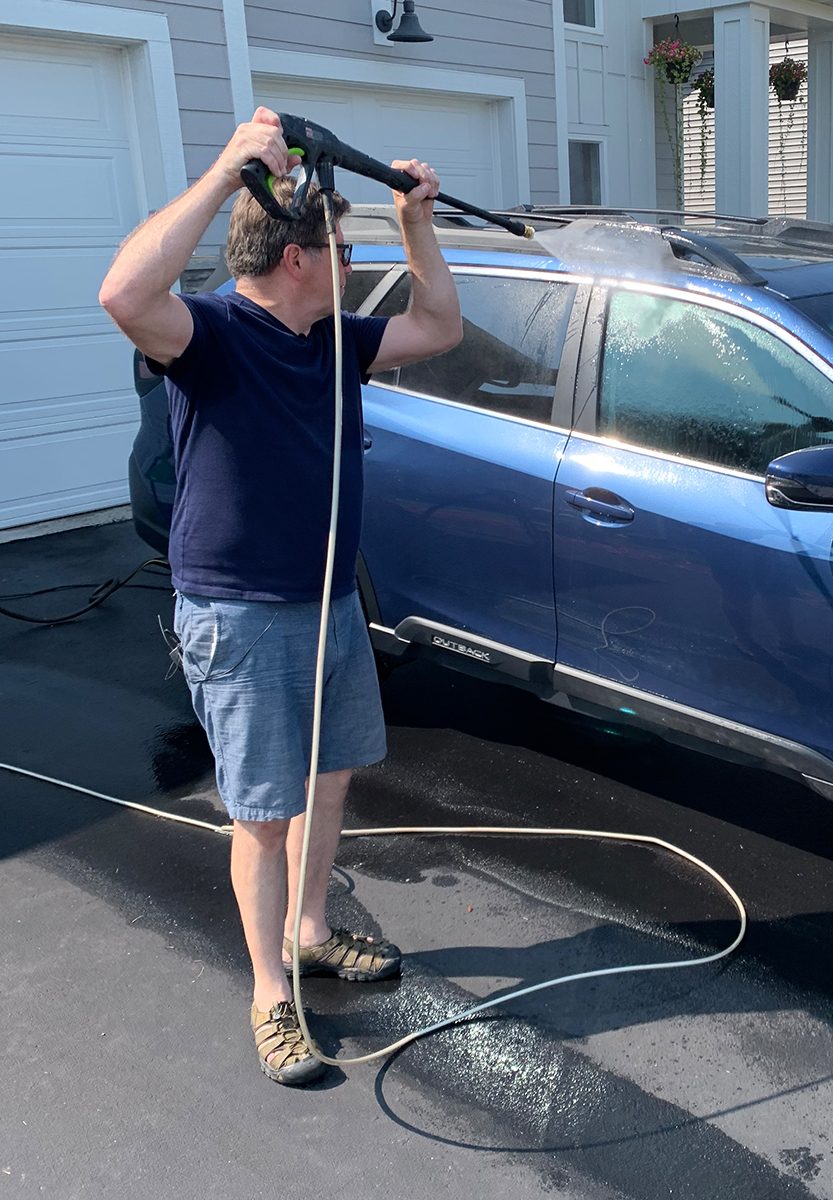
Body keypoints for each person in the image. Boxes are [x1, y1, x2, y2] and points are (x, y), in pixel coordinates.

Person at [99, 106, 462, 1086]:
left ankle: (308, 930)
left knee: (329, 780)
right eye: (343, 249)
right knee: (262, 815)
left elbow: (440, 326)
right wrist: (226, 172)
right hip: (242, 618)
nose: (352, 263)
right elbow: (123, 292)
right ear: (297, 258)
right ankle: (270, 994)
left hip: (332, 606)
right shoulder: (209, 335)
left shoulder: (333, 338)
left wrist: (415, 222)